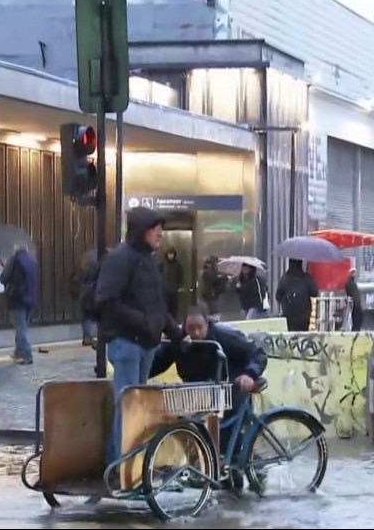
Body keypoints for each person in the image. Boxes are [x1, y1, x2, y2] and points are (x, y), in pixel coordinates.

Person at [94, 206, 186, 473]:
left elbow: (157, 306)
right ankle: (120, 465)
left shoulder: (148, 261)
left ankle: (126, 463)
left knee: (136, 406)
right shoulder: (121, 259)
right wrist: (143, 322)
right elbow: (106, 300)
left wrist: (176, 333)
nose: (160, 233)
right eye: (155, 228)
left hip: (145, 344)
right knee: (129, 405)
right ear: (141, 231)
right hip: (126, 343)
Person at [149, 305, 267, 488]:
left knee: (226, 437)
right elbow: (158, 362)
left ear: (207, 325)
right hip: (202, 396)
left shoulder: (224, 337)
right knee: (198, 434)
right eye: (191, 328)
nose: (195, 333)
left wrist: (249, 374)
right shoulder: (181, 342)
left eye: (199, 328)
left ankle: (255, 468)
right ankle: (220, 477)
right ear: (184, 328)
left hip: (231, 391)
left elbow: (257, 353)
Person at [0, 243, 38, 365]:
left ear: (15, 250)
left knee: (20, 328)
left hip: (18, 298)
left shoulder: (14, 261)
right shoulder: (32, 261)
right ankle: (18, 352)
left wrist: (6, 266)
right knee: (22, 327)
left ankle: (26, 355)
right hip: (31, 299)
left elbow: (3, 278)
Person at [275, 259, 318, 331]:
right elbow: (314, 292)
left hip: (288, 315)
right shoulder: (306, 278)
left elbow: (278, 297)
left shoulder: (285, 279)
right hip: (304, 316)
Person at [159, 247, 184, 319]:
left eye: (172, 254)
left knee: (174, 310)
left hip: (174, 291)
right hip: (164, 291)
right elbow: (158, 275)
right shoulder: (162, 264)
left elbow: (180, 276)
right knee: (165, 309)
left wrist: (178, 286)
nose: (170, 255)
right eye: (169, 254)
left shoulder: (178, 265)